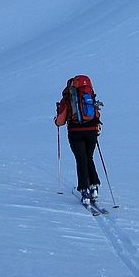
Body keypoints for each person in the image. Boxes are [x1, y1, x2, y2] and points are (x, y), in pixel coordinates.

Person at [54, 75, 101, 204]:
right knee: (89, 158)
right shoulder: (89, 95)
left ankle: (84, 190)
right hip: (92, 131)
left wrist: (56, 121)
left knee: (81, 160)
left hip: (75, 133)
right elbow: (96, 114)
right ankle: (94, 187)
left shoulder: (68, 98)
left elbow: (60, 121)